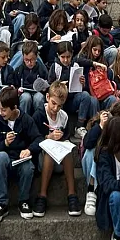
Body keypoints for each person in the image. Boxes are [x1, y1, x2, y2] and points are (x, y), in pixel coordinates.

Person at [0, 85, 42, 222]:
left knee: (28, 166)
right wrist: (5, 143)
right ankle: (2, 203)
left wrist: (29, 149)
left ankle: (23, 201)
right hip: (6, 159)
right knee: (0, 157)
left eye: (4, 110)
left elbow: (38, 139)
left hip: (21, 159)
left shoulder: (26, 120)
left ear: (14, 107)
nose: (1, 112)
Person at [32, 81, 81, 218]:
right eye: (53, 103)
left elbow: (66, 138)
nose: (55, 108)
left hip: (60, 160)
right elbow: (33, 140)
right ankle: (42, 195)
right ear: (47, 97)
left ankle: (72, 194)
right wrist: (48, 136)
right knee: (49, 152)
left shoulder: (63, 116)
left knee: (68, 151)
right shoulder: (39, 115)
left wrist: (61, 139)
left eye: (59, 106)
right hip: (43, 159)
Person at [48, 41, 95, 134]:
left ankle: (79, 126)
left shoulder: (75, 65)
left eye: (68, 57)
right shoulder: (55, 67)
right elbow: (50, 86)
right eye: (63, 57)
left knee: (85, 95)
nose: (65, 60)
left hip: (72, 99)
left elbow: (81, 89)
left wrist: (82, 83)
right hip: (59, 101)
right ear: (58, 55)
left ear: (72, 55)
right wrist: (60, 85)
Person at [16, 40, 49, 116]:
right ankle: (23, 120)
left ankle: (39, 120)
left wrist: (45, 89)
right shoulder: (19, 70)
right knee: (25, 98)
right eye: (26, 60)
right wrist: (17, 91)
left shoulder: (42, 69)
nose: (29, 63)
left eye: (32, 60)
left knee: (39, 98)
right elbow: (15, 84)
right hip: (24, 93)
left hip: (38, 92)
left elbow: (47, 84)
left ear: (37, 56)